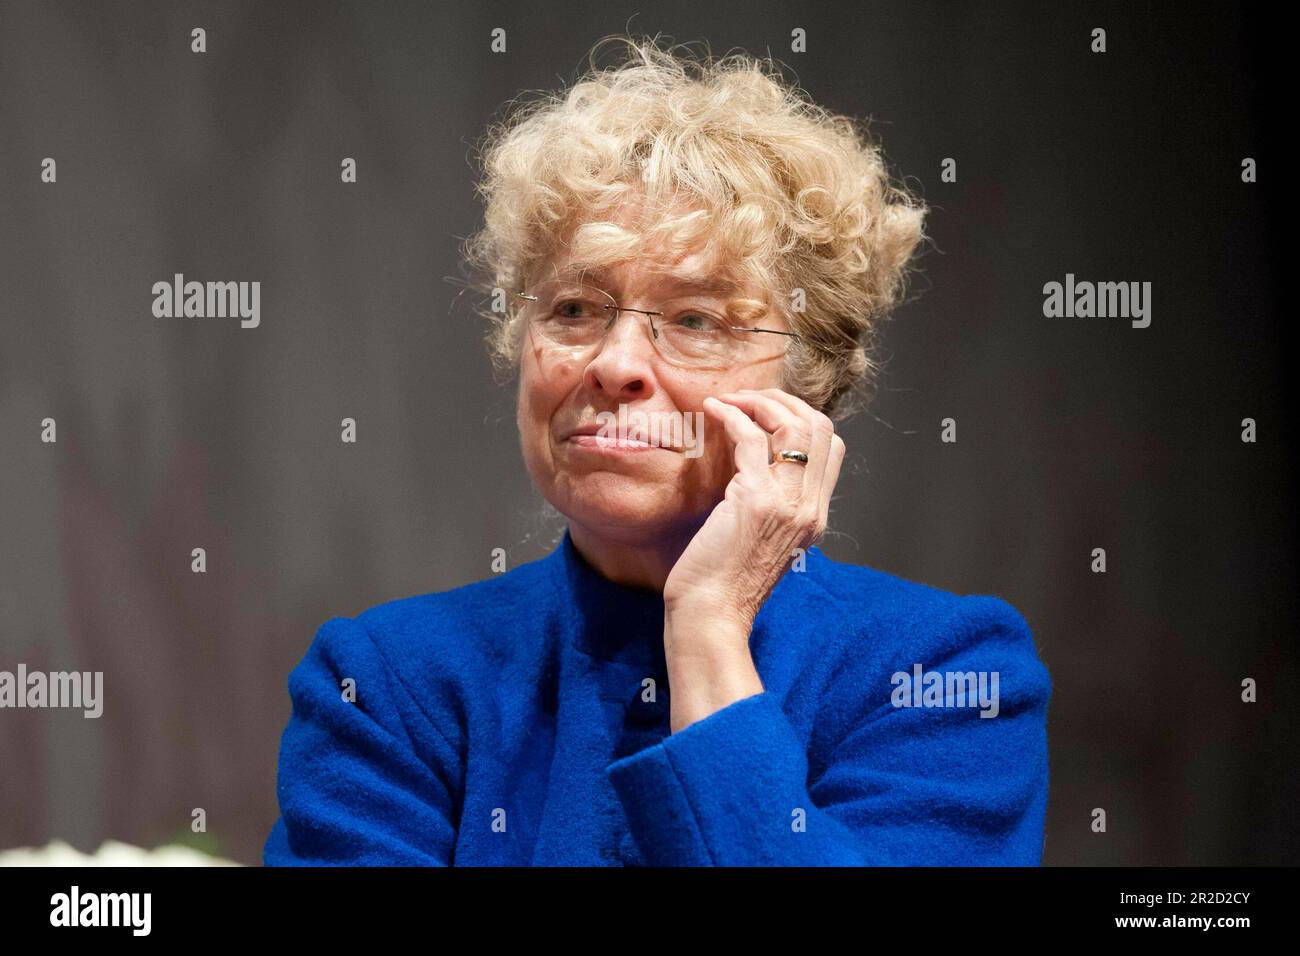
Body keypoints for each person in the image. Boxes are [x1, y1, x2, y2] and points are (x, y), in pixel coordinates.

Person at [264, 35, 1051, 866]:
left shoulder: (938, 673)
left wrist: (708, 626)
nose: (615, 364)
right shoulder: (386, 682)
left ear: (808, 383)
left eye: (695, 321)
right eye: (573, 309)